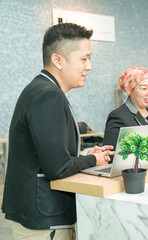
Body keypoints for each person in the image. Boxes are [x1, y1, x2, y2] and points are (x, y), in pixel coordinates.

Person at [1, 23, 114, 240]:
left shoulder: (42, 89)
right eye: (84, 58)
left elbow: (48, 155)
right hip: (44, 219)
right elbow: (58, 168)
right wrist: (93, 161)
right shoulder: (48, 95)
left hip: (38, 214)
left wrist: (83, 156)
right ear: (58, 60)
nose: (89, 66)